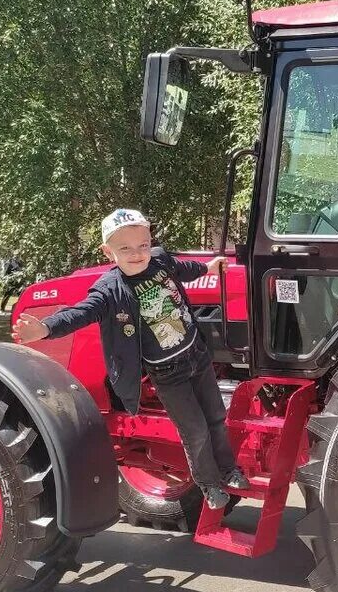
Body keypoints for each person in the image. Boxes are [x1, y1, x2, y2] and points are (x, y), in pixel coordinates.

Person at [13, 209, 248, 511]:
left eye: (143, 245)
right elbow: (80, 313)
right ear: (108, 251)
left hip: (196, 355)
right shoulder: (110, 290)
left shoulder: (160, 261)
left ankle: (229, 470)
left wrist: (208, 269)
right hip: (168, 373)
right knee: (196, 430)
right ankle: (210, 485)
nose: (137, 254)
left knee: (216, 418)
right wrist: (45, 328)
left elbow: (183, 268)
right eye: (125, 248)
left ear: (151, 242)